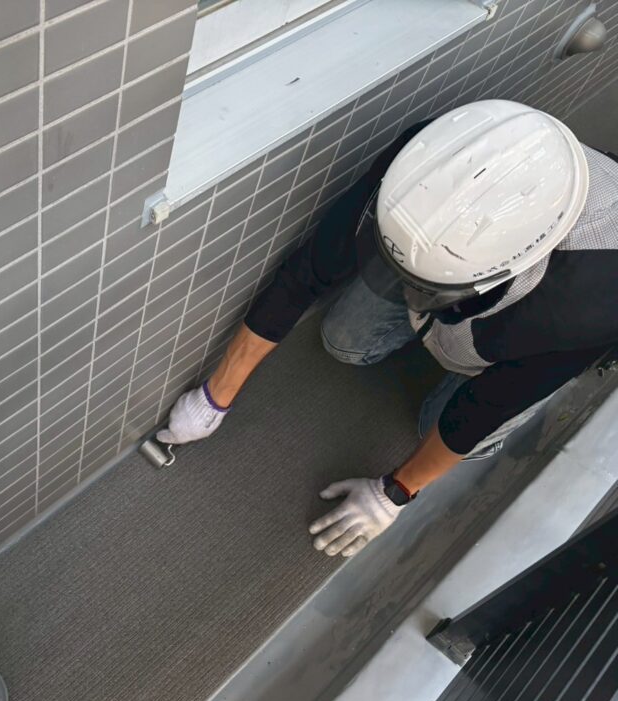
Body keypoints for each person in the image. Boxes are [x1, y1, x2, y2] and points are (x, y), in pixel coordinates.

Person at [157, 100, 618, 558]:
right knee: (344, 342)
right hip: (479, 282)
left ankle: (463, 360)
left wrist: (393, 493)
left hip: (530, 339)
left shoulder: (590, 309)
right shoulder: (433, 157)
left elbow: (486, 408)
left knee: (438, 426)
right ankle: (437, 325)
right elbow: (310, 269)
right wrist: (214, 397)